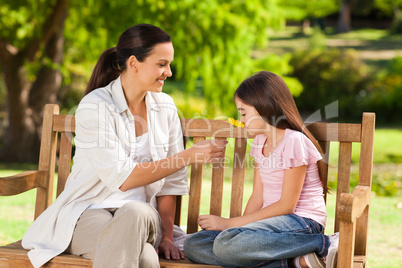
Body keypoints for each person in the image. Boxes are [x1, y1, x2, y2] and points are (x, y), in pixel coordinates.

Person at [22, 24, 227, 268]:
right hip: (87, 212)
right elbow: (124, 178)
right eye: (162, 64)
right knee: (145, 258)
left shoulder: (165, 107)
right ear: (133, 63)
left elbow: (170, 184)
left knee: (135, 212)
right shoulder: (95, 106)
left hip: (144, 216)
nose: (169, 72)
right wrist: (189, 155)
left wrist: (168, 236)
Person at [183, 71, 339, 268]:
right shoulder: (259, 142)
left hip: (302, 223)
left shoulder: (293, 141)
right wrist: (239, 229)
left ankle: (325, 243)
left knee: (225, 246)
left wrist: (230, 225)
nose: (240, 120)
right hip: (272, 227)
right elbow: (258, 196)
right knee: (194, 244)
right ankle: (295, 261)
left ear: (264, 108)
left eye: (243, 113)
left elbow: (286, 206)